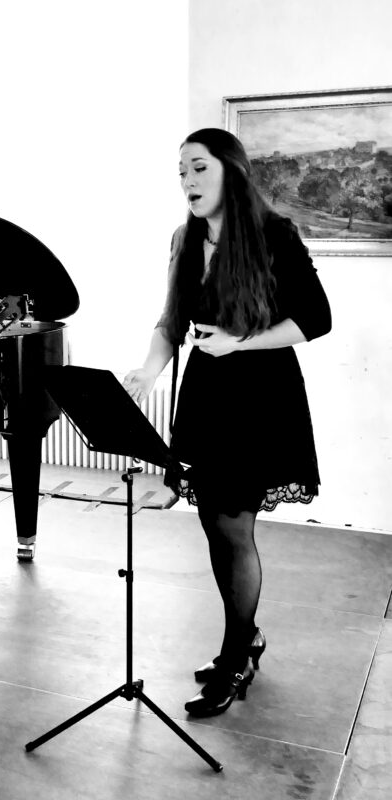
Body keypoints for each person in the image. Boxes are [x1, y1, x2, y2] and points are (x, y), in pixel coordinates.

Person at [124, 128, 331, 718]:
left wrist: (240, 342)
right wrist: (147, 372)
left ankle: (236, 657)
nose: (186, 182)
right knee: (214, 523)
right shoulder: (184, 238)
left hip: (261, 397)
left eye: (198, 168)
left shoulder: (273, 234)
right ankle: (247, 636)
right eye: (181, 172)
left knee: (235, 528)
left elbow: (316, 318)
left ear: (230, 171)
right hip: (207, 396)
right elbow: (171, 321)